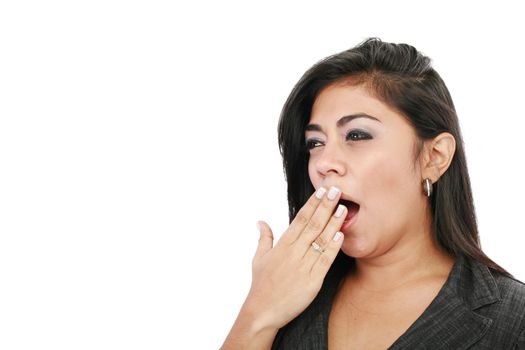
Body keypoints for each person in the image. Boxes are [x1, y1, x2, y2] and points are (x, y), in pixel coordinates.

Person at [220, 38, 525, 349]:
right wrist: (258, 314)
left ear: (434, 157)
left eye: (356, 135)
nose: (324, 163)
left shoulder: (514, 321)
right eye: (315, 143)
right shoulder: (288, 302)